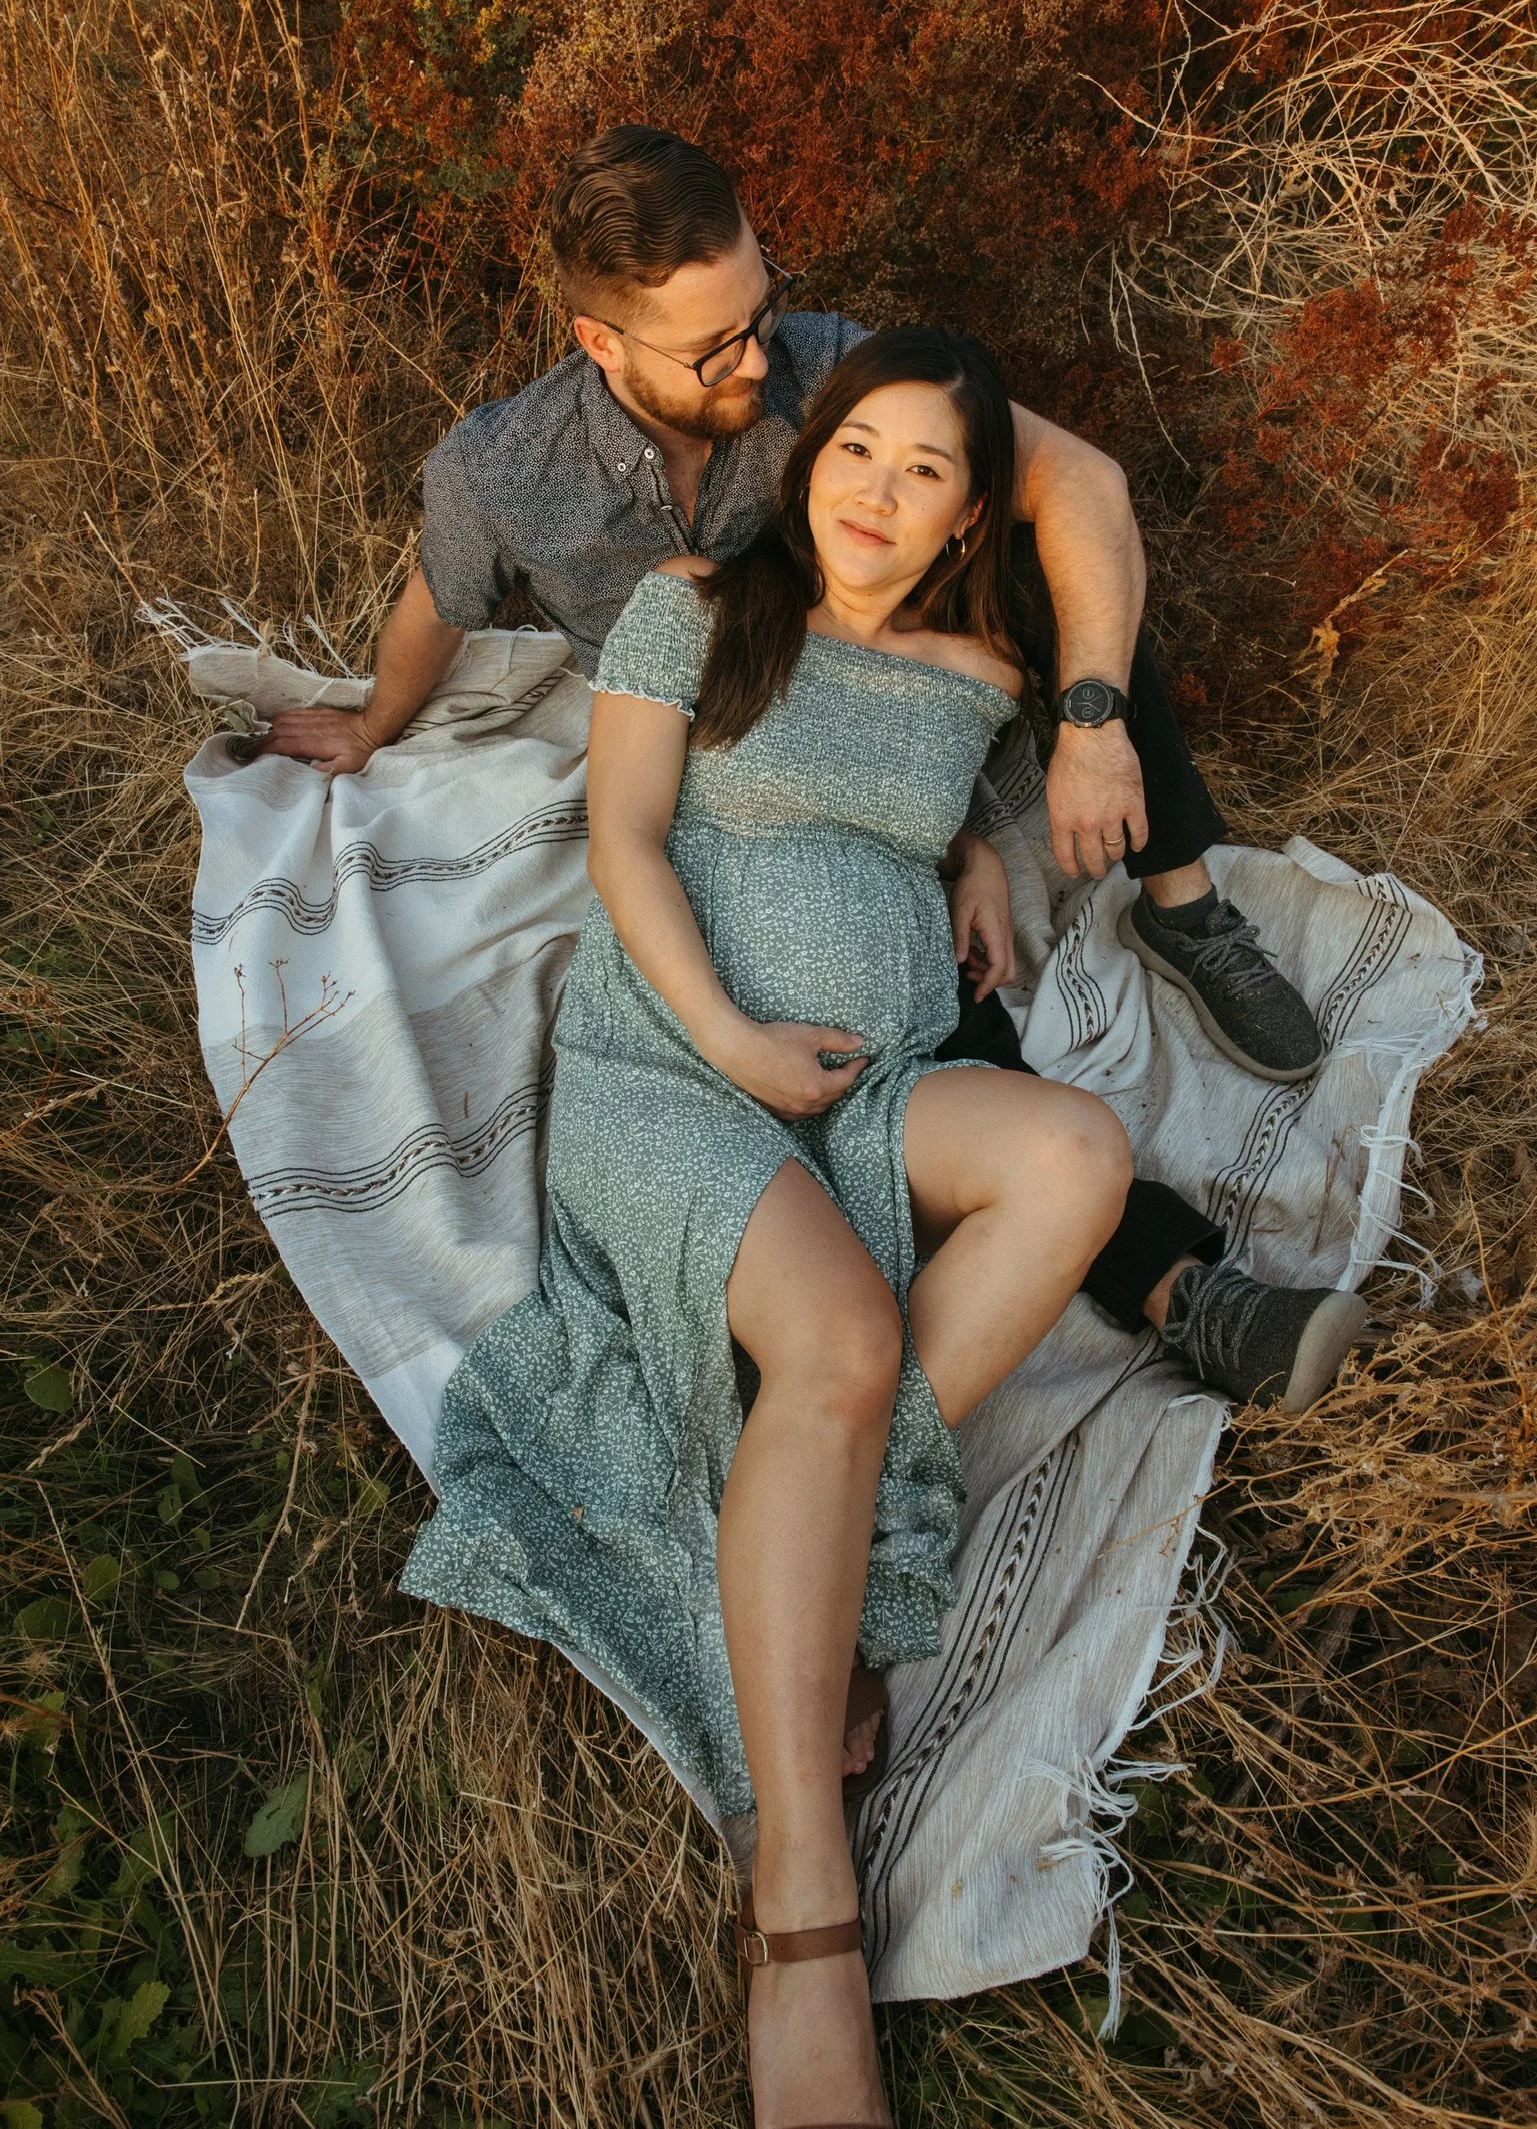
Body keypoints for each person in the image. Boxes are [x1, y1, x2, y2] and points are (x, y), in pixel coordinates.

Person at [257, 125, 1366, 1414]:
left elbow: (1082, 483)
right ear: (600, 341)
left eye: (760, 309)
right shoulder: (505, 469)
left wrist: (1083, 728)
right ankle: (1163, 1291)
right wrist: (374, 722)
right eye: (713, 347)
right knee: (921, 1023)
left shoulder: (830, 368)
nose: (757, 358)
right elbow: (439, 599)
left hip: (888, 757)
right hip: (721, 776)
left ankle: (1182, 901)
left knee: (1060, 575)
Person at [402, 328, 1142, 2129]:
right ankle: (804, 1890)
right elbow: (627, 842)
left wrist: (976, 852)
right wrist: (732, 1039)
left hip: (869, 1082)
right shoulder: (697, 608)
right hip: (677, 1067)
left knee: (1077, 1156)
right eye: (857, 447)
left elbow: (931, 797)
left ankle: (840, 1538)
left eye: (926, 470)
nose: (878, 493)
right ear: (810, 459)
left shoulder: (981, 672)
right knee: (848, 1339)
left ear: (970, 516)